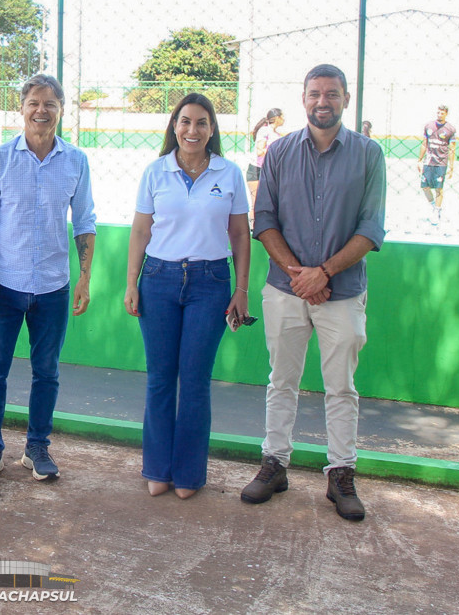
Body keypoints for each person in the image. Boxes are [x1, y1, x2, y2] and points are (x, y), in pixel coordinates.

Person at [242, 64, 386, 521]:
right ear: (303, 98)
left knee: (341, 387)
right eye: (315, 93)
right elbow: (264, 219)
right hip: (285, 290)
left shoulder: (369, 154)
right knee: (281, 380)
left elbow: (371, 228)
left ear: (346, 99)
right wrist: (300, 276)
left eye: (332, 94)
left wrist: (323, 273)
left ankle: (341, 473)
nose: (323, 101)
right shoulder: (280, 151)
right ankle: (274, 464)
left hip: (341, 293)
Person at [0, 74, 97, 486]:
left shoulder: (76, 161)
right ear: (21, 109)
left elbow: (85, 222)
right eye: (34, 103)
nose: (42, 110)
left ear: (61, 110)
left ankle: (37, 448)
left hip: (53, 288)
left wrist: (84, 279)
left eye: (50, 104)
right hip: (2, 286)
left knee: (47, 372)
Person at [124, 93, 251, 500]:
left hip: (210, 282)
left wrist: (241, 289)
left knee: (195, 381)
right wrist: (132, 282)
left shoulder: (228, 174)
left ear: (212, 129)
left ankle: (189, 474)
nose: (192, 130)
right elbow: (141, 231)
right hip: (158, 278)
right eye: (185, 122)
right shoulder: (155, 172)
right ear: (174, 127)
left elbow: (239, 235)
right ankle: (157, 468)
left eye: (201, 123)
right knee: (161, 379)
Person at [416, 105, 456, 225]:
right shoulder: (428, 126)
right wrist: (419, 160)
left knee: (439, 188)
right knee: (425, 186)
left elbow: (452, 149)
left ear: (446, 114)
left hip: (441, 162)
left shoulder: (450, 129)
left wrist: (451, 166)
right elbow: (424, 144)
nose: (439, 115)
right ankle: (434, 206)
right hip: (429, 161)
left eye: (442, 113)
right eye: (438, 112)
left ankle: (437, 211)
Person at [247, 108, 284, 218]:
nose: (284, 119)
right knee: (255, 203)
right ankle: (253, 225)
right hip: (257, 169)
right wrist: (273, 151)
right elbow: (260, 151)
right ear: (277, 118)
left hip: (270, 170)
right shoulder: (265, 131)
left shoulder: (276, 134)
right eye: (282, 116)